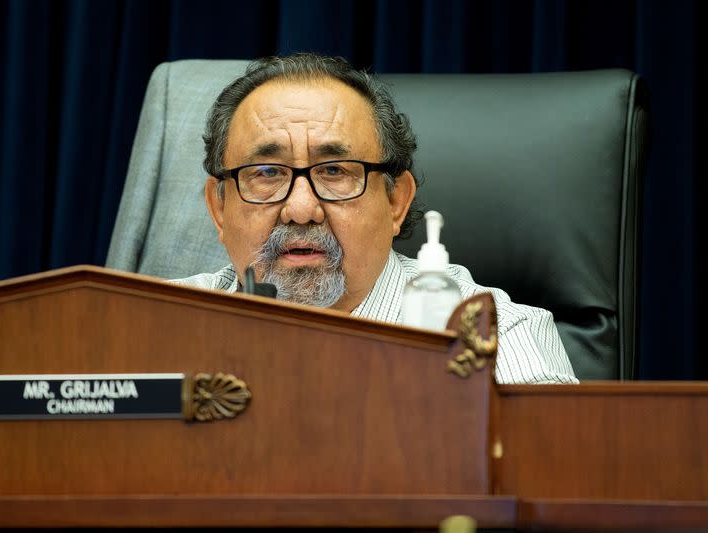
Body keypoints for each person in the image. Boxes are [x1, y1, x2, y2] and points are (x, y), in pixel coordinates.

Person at [174, 53, 577, 385]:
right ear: (219, 208)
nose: (300, 210)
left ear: (396, 202)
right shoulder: (156, 324)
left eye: (334, 171)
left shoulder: (495, 341)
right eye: (266, 173)